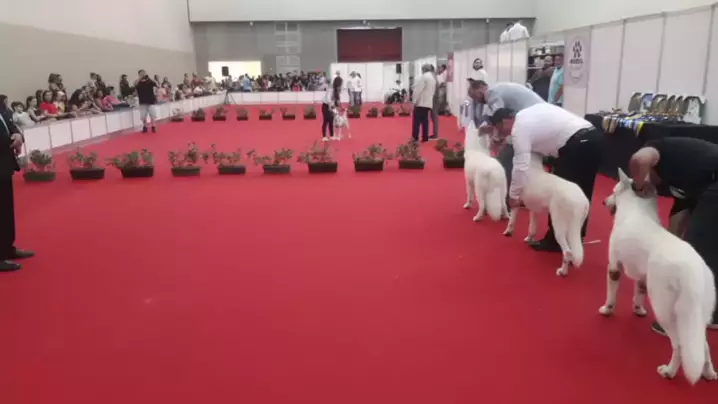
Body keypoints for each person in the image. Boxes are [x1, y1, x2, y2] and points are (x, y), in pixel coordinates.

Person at [628, 137, 718, 334]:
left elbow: (639, 159)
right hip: (709, 182)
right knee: (708, 245)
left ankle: (679, 320)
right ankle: (712, 312)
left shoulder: (656, 149)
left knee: (698, 250)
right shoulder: (681, 180)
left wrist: (639, 184)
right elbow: (678, 223)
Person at [489, 106, 603, 252]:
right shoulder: (528, 112)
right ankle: (576, 236)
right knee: (582, 191)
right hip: (594, 137)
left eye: (500, 129)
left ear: (504, 121)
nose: (503, 133)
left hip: (575, 145)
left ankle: (556, 241)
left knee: (559, 193)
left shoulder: (519, 129)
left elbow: (521, 165)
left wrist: (514, 195)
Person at [467, 80, 544, 198]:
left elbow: (501, 118)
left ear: (482, 87)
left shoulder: (491, 94)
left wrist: (497, 138)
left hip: (534, 120)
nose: (477, 100)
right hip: (539, 116)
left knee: (506, 157)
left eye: (475, 95)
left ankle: (507, 197)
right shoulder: (498, 88)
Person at [0, 95, 34, 271]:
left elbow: (11, 124)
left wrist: (18, 135)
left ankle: (7, 248)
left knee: (6, 211)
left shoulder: (1, 106)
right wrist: (11, 141)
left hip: (4, 166)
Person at [411, 64, 436, 142]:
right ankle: (425, 137)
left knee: (417, 121)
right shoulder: (432, 78)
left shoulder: (424, 77)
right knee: (425, 121)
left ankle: (415, 137)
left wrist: (414, 101)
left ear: (424, 69)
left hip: (421, 102)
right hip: (428, 102)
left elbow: (418, 90)